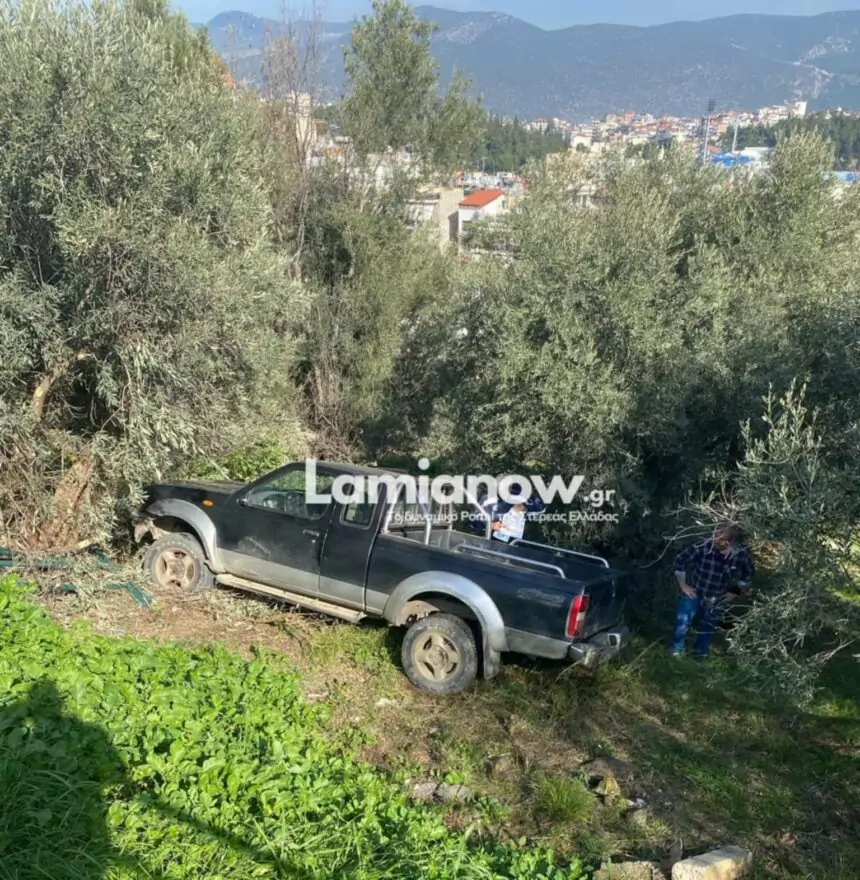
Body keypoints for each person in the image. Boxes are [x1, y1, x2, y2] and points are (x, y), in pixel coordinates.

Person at [669, 524, 754, 659]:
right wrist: (683, 585)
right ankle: (676, 650)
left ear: (730, 542)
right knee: (682, 623)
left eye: (721, 539)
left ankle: (700, 654)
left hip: (718, 597)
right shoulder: (703, 547)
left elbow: (748, 574)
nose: (715, 541)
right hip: (695, 591)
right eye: (715, 536)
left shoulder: (740, 555)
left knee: (707, 627)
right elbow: (680, 561)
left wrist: (735, 591)